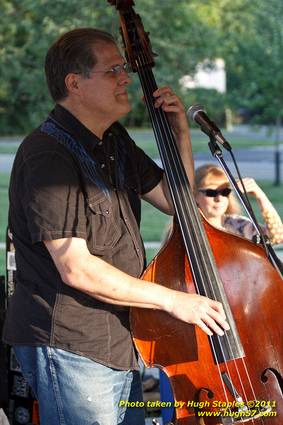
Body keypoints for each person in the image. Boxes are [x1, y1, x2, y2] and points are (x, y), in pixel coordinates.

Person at [2, 28, 229, 425]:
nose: (126, 77)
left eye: (124, 68)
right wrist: (174, 300)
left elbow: (181, 205)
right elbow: (77, 267)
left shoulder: (114, 140)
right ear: (75, 83)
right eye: (113, 70)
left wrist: (179, 131)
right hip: (71, 345)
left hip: (120, 340)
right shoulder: (47, 157)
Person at [194, 163, 283, 244]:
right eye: (211, 193)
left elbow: (277, 237)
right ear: (195, 195)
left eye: (225, 192)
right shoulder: (187, 228)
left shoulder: (239, 225)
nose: (219, 198)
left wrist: (260, 196)